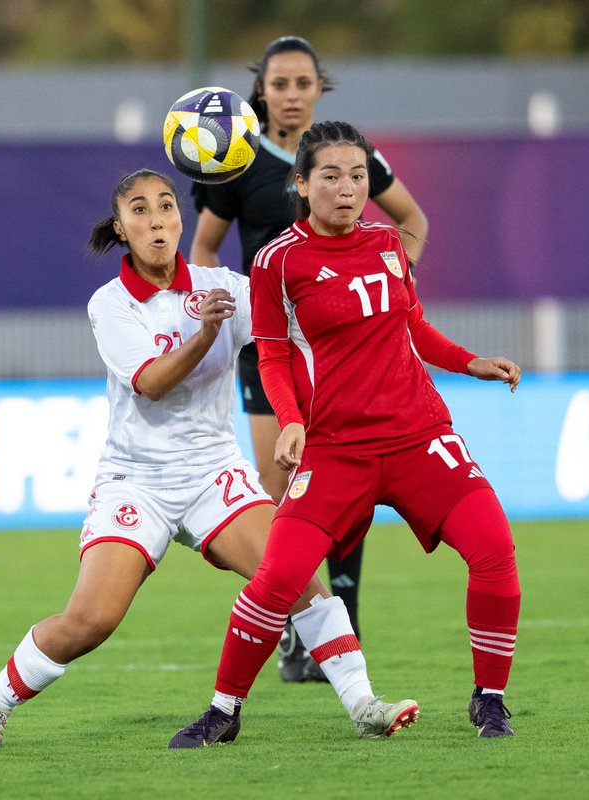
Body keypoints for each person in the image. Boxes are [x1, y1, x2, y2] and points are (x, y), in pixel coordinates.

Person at [0, 169, 416, 750]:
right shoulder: (111, 304)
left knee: (298, 580)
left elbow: (299, 326)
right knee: (91, 620)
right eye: (140, 210)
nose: (156, 220)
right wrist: (204, 334)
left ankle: (363, 705)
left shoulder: (222, 285)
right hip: (136, 481)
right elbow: (151, 382)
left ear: (181, 219)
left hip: (213, 473)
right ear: (121, 228)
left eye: (166, 206)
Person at [170, 121, 522, 748]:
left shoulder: (388, 243)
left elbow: (414, 326)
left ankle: (490, 701)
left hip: (419, 437)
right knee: (277, 579)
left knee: (495, 550)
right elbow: (272, 354)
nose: (348, 188)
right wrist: (292, 420)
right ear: (302, 185)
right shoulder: (277, 260)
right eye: (331, 176)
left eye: (357, 176)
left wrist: (471, 362)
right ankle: (224, 711)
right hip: (335, 450)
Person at [190, 34, 429, 683]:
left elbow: (411, 220)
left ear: (320, 87)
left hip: (344, 351)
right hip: (269, 349)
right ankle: (299, 625)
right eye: (279, 84)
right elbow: (204, 249)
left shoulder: (346, 155)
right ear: (260, 90)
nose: (292, 95)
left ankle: (343, 624)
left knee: (350, 489)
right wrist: (225, 307)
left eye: (303, 83)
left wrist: (388, 289)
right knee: (280, 494)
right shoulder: (237, 160)